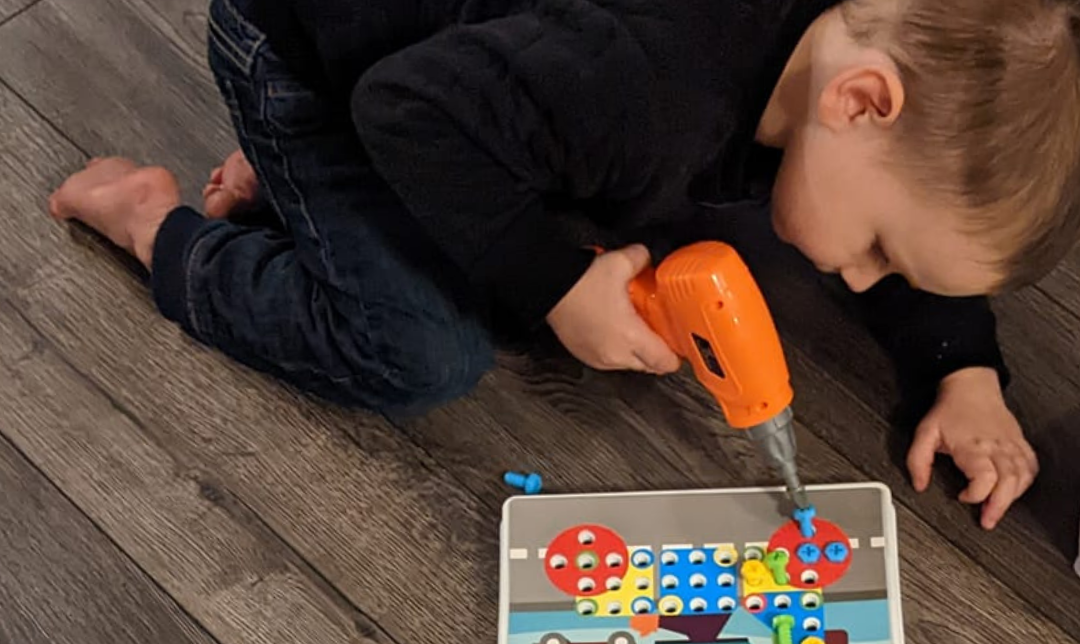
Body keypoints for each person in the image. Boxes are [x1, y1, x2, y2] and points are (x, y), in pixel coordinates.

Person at [47, 0, 1080, 529]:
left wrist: (963, 362)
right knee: (426, 348)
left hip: (464, 69)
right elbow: (406, 107)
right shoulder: (652, 95)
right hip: (322, 68)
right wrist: (556, 284)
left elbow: (930, 208)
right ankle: (163, 231)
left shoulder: (846, 47)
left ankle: (318, 193)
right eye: (880, 253)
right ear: (859, 101)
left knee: (624, 223)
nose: (861, 281)